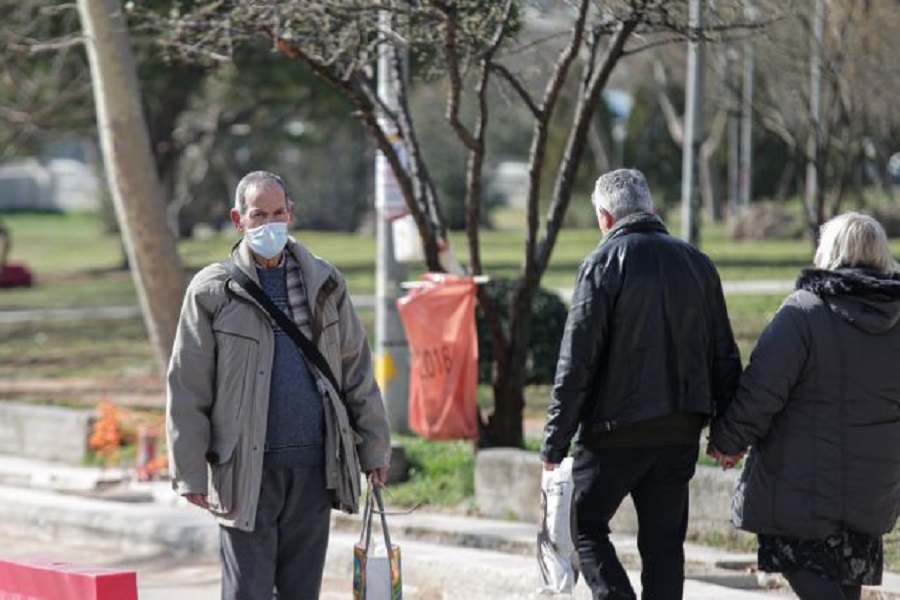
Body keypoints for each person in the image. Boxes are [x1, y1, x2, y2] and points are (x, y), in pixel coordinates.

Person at [166, 170, 391, 599]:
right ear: (238, 219)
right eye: (258, 214)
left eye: (277, 213)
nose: (269, 224)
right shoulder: (213, 291)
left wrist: (374, 446)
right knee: (246, 592)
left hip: (314, 470)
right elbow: (188, 387)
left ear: (291, 213)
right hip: (245, 472)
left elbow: (355, 369)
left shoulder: (325, 282)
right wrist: (189, 471)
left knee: (301, 592)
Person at [540, 168, 741, 600]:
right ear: (649, 207)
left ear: (605, 217)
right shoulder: (699, 263)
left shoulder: (600, 263)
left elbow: (576, 362)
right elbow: (724, 353)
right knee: (665, 546)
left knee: (584, 526)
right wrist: (730, 434)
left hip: (613, 432)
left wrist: (554, 443)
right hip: (680, 430)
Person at [709, 212, 900, 600]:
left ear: (828, 251)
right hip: (871, 492)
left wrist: (728, 441)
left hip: (803, 493)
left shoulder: (804, 312)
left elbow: (761, 392)